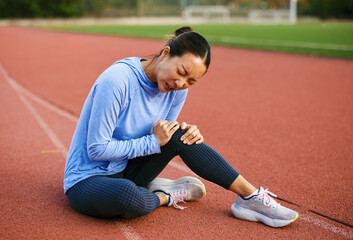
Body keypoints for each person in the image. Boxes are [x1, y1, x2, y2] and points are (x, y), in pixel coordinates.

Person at [63, 26, 298, 228]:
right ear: (166, 53)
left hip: (127, 169)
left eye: (190, 81)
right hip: (87, 179)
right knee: (128, 196)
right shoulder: (117, 80)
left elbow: (161, 139)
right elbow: (97, 149)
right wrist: (154, 142)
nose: (181, 83)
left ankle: (250, 196)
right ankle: (165, 195)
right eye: (182, 72)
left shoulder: (177, 91)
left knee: (181, 135)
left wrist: (178, 134)